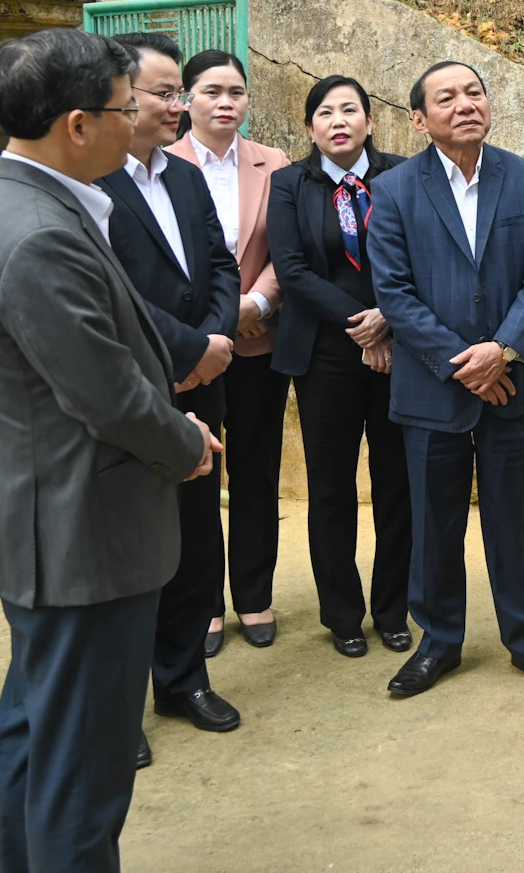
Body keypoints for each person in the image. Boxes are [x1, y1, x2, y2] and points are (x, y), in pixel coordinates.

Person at [0, 28, 216, 873]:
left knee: (37, 747)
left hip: (57, 531)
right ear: (75, 124)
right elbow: (105, 392)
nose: (141, 119)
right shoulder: (40, 235)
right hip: (81, 539)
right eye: (125, 107)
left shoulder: (37, 205)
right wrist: (187, 444)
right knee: (81, 781)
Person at [366, 60, 524, 698]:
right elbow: (395, 295)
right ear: (419, 119)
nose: (465, 104)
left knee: (514, 516)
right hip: (434, 389)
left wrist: (504, 351)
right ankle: (438, 641)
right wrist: (466, 363)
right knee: (435, 521)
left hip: (509, 385)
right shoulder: (397, 188)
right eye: (447, 97)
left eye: (474, 92)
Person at [95, 32, 242, 754]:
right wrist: (186, 351)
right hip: (135, 390)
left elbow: (220, 264)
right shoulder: (89, 183)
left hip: (203, 377)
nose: (178, 106)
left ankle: (184, 681)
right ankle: (120, 710)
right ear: (118, 99)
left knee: (193, 533)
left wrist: (213, 346)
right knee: (133, 547)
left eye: (178, 92)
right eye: (164, 93)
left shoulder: (184, 176)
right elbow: (110, 293)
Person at [265, 76, 413, 657]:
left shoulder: (402, 176)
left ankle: (394, 608)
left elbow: (417, 256)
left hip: (400, 349)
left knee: (396, 483)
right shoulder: (288, 184)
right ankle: (343, 614)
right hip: (326, 353)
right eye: (324, 113)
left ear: (371, 122)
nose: (338, 120)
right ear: (309, 128)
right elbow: (293, 270)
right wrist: (364, 323)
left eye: (350, 109)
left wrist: (390, 320)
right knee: (331, 488)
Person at [168, 50, 292, 652]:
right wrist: (215, 324)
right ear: (186, 98)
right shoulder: (158, 165)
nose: (226, 103)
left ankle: (254, 595)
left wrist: (257, 305)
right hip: (191, 350)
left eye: (236, 92)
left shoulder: (275, 163)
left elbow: (288, 252)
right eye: (212, 91)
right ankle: (205, 603)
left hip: (259, 342)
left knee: (257, 471)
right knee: (196, 474)